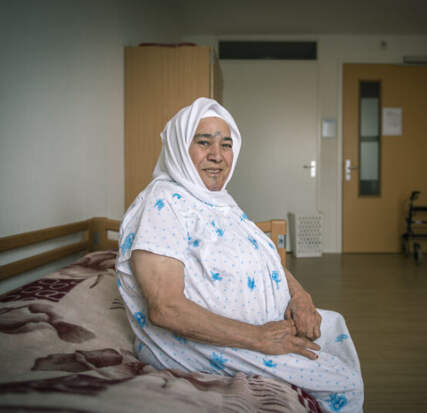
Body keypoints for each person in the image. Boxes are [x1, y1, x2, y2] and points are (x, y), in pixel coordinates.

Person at [115, 97, 364, 412]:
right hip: (202, 343)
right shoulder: (162, 204)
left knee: (333, 324)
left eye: (226, 145)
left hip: (260, 326)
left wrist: (301, 296)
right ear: (179, 147)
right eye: (203, 142)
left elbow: (261, 254)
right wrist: (259, 338)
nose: (217, 155)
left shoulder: (219, 200)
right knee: (342, 381)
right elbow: (166, 309)